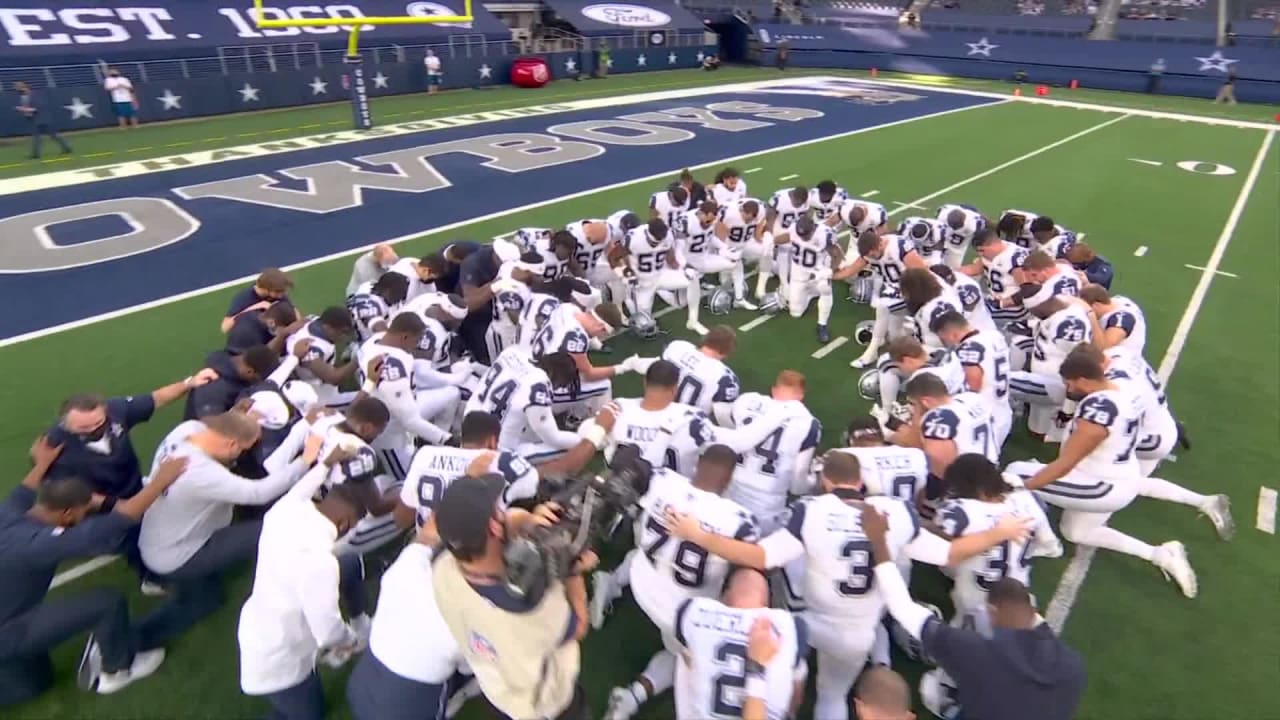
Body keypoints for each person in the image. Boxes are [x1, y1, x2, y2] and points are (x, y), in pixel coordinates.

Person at [0, 438, 184, 706]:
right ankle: (115, 671)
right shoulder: (41, 544)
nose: (85, 516)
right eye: (83, 512)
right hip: (7, 630)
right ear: (65, 513)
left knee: (37, 683)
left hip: (9, 617)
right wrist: (161, 481)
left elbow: (25, 486)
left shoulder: (10, 512)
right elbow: (120, 521)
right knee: (107, 601)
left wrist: (43, 463)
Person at [864, 505, 1088, 720]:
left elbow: (902, 607)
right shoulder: (1073, 663)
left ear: (992, 611)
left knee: (933, 689)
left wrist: (879, 542)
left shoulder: (978, 651)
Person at [135, 411, 317, 650]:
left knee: (209, 600)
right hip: (179, 555)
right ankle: (131, 641)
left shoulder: (188, 430)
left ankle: (152, 609)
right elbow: (258, 493)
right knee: (273, 525)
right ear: (231, 444)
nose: (241, 456)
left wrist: (241, 418)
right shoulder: (201, 472)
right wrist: (305, 460)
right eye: (243, 449)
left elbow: (228, 424)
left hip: (157, 539)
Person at [431, 473, 597, 720]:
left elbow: (501, 529)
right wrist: (574, 571)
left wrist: (529, 522)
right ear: (494, 527)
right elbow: (579, 626)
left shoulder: (442, 568)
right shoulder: (534, 607)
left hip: (497, 688)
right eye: (497, 510)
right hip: (545, 706)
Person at [237, 444, 367, 720]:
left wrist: (325, 465)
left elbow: (300, 490)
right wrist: (350, 640)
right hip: (281, 654)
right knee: (308, 715)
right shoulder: (320, 562)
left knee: (350, 563)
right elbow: (328, 629)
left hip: (259, 622)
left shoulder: (283, 512)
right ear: (344, 524)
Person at [45, 372, 217, 500]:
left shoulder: (116, 410)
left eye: (98, 423)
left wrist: (189, 383)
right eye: (84, 427)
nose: (94, 429)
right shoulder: (54, 447)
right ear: (65, 424)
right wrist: (118, 508)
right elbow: (68, 494)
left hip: (136, 489)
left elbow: (156, 399)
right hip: (101, 512)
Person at [221, 268, 298, 334]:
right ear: (266, 288)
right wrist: (256, 307)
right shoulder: (243, 298)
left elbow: (295, 313)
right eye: (279, 292)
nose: (282, 295)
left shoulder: (277, 292)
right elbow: (225, 328)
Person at [13, 81, 71, 159]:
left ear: (24, 87)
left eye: (19, 88)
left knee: (52, 135)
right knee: (39, 137)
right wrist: (25, 111)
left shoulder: (34, 95)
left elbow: (37, 108)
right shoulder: (24, 97)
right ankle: (36, 154)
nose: (18, 91)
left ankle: (66, 148)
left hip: (42, 118)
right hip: (34, 119)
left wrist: (22, 109)